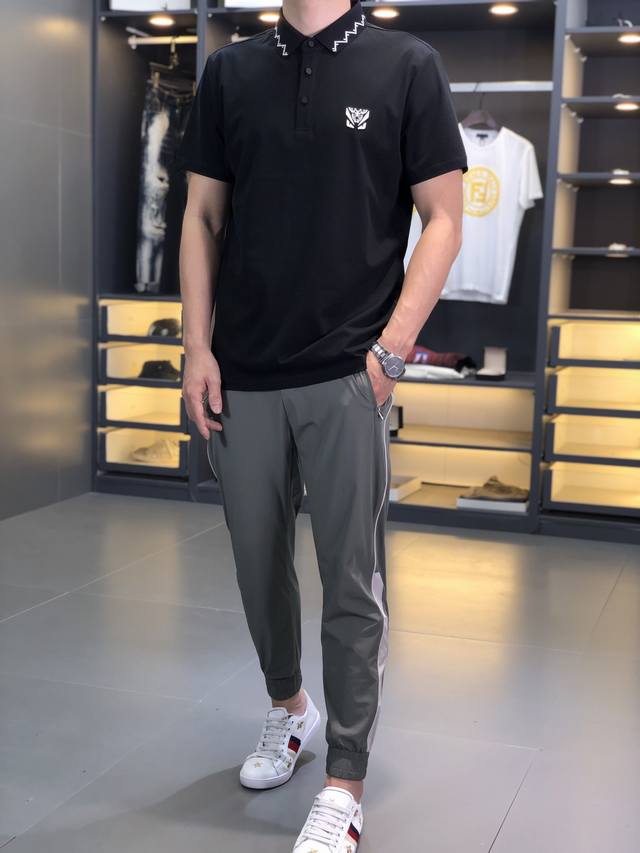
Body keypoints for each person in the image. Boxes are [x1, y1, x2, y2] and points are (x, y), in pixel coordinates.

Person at [175, 1, 467, 849]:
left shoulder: (406, 65)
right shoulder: (230, 72)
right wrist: (197, 346)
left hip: (348, 372)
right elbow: (201, 216)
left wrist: (391, 352)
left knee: (351, 582)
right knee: (256, 563)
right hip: (243, 370)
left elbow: (444, 218)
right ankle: (289, 707)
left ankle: (345, 779)